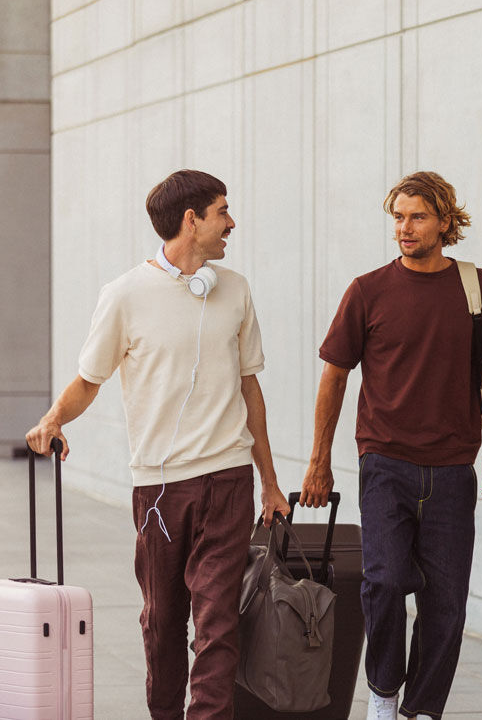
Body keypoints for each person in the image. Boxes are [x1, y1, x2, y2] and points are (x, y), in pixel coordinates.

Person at [26, 169, 290, 720]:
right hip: (159, 489)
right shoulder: (123, 295)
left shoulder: (235, 289)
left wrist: (268, 480)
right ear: (191, 221)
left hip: (227, 479)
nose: (231, 222)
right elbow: (89, 380)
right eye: (222, 211)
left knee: (218, 622)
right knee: (163, 622)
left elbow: (250, 388)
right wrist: (53, 418)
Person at [299, 171, 482, 720]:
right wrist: (318, 461)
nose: (405, 228)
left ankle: (422, 710)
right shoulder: (368, 289)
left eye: (417, 216)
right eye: (398, 216)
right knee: (386, 581)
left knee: (445, 603)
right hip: (384, 461)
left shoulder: (476, 287)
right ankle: (384, 688)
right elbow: (334, 374)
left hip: (451, 467)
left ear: (445, 220)